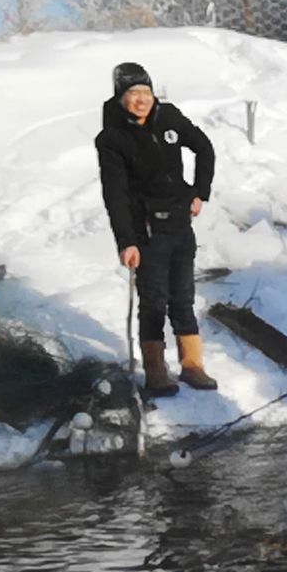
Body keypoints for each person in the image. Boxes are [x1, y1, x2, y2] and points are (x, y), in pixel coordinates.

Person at [95, 61, 218, 397]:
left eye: (145, 93)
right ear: (120, 97)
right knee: (153, 301)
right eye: (132, 94)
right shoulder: (112, 139)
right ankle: (156, 371)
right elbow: (115, 196)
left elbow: (204, 148)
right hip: (146, 230)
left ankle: (192, 365)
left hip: (180, 223)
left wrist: (199, 191)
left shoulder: (170, 118)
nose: (140, 100)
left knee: (183, 298)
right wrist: (127, 241)